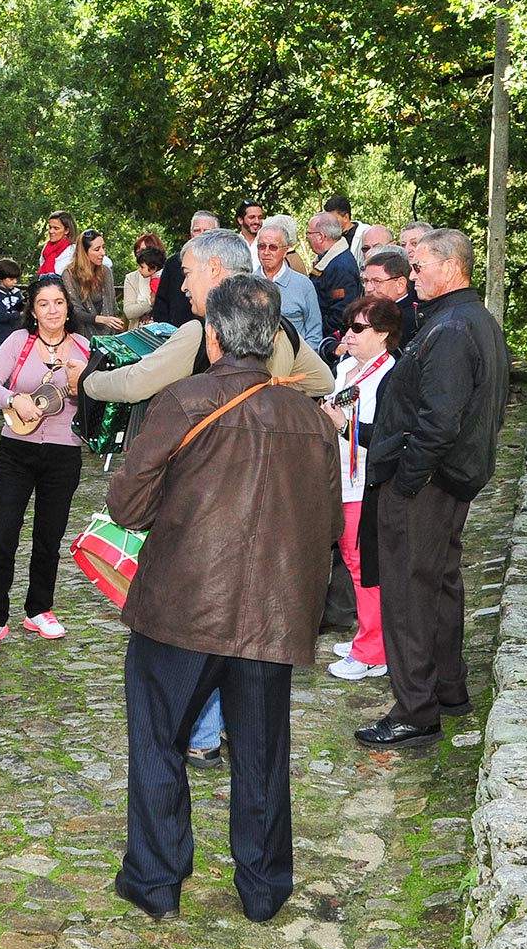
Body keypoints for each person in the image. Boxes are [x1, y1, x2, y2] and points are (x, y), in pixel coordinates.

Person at [107, 274, 342, 923]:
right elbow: (329, 528)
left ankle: (156, 882)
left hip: (182, 608)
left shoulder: (181, 402)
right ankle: (264, 892)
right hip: (269, 615)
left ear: (212, 337)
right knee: (262, 755)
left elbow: (128, 502)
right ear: (271, 341)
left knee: (159, 740)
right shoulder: (312, 420)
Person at [75, 230, 334, 767]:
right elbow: (322, 378)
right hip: (274, 520)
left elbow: (138, 383)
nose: (183, 283)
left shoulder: (202, 332)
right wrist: (279, 395)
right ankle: (230, 734)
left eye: (189, 273)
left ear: (216, 270)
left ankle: (202, 735)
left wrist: (86, 383)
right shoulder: (277, 325)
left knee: (198, 632)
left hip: (206, 512)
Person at [356, 228, 510, 750]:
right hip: (448, 480)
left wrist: (406, 481)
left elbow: (439, 422)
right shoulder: (472, 321)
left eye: (419, 267)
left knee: (409, 593)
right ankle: (447, 690)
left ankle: (415, 710)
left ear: (451, 267)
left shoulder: (451, 329)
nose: (412, 276)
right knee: (440, 582)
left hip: (427, 483)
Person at [0, 275, 91, 655]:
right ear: (33, 310)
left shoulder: (85, 348)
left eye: (58, 302)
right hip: (16, 450)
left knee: (49, 537)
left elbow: (101, 398)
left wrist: (83, 386)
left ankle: (39, 609)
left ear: (68, 307)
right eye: (44, 304)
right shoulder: (18, 342)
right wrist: (12, 399)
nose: (52, 310)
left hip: (64, 452)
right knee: (3, 533)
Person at [322, 296, 401, 681]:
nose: (347, 336)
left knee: (364, 565)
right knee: (353, 562)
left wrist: (341, 425)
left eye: (358, 328)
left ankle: (373, 650)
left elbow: (386, 436)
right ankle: (368, 636)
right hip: (341, 478)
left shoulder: (390, 377)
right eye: (347, 326)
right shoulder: (347, 369)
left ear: (384, 335)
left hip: (366, 484)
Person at [256, 216, 323, 350]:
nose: (266, 252)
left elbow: (314, 331)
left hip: (296, 361)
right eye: (261, 246)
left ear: (286, 250)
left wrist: (305, 360)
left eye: (273, 247)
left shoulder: (304, 285)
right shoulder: (246, 285)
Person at [306, 212, 361, 359]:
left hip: (331, 343)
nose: (306, 238)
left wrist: (318, 335)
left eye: (308, 233)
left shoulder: (341, 266)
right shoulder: (327, 260)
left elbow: (341, 312)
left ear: (321, 236)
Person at [152, 210, 219, 327]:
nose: (201, 235)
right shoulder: (173, 263)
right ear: (191, 234)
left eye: (207, 231)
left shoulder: (224, 264)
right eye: (197, 230)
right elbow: (161, 303)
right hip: (176, 334)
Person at [62, 228, 124, 337]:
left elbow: (113, 306)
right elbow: (73, 311)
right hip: (81, 334)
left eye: (103, 248)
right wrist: (99, 319)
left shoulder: (106, 271)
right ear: (84, 253)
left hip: (108, 333)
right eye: (97, 249)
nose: (103, 253)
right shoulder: (69, 274)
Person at [360, 248, 419, 347]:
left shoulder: (413, 319)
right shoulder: (363, 310)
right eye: (366, 281)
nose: (368, 289)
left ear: (400, 284)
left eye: (377, 281)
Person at [123, 243, 165, 325]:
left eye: (142, 267)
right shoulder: (132, 278)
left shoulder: (156, 281)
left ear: (153, 267)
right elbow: (128, 312)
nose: (139, 270)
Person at [0, 258, 25, 350]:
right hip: (1, 337)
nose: (15, 282)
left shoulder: (17, 293)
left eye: (16, 279)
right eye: (11, 279)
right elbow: (0, 316)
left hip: (17, 335)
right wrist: (19, 314)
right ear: (1, 278)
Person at [38, 210, 78, 275]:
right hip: (44, 282)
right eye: (50, 227)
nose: (51, 231)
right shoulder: (47, 247)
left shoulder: (73, 250)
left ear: (67, 230)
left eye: (56, 228)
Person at [235, 200, 265, 268]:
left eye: (260, 218)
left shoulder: (268, 245)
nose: (257, 221)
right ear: (240, 220)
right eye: (252, 217)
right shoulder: (232, 244)